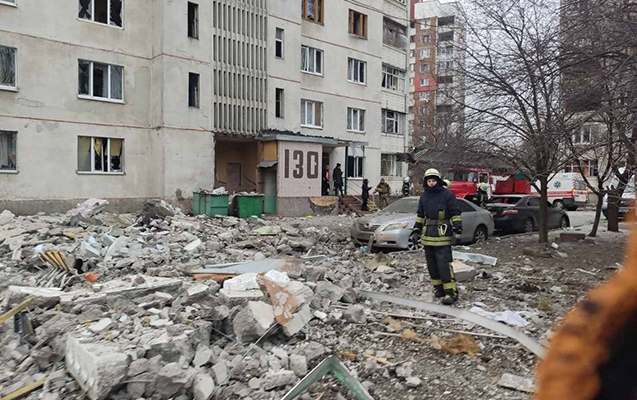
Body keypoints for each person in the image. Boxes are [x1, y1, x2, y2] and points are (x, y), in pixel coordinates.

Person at [411, 168, 462, 305]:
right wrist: (416, 231)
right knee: (432, 265)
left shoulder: (447, 195)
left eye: (434, 180)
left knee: (443, 264)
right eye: (429, 181)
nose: (431, 183)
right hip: (428, 235)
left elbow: (455, 212)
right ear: (426, 182)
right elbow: (420, 216)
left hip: (442, 234)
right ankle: (439, 289)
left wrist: (457, 227)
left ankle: (451, 292)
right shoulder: (424, 197)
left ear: (438, 181)